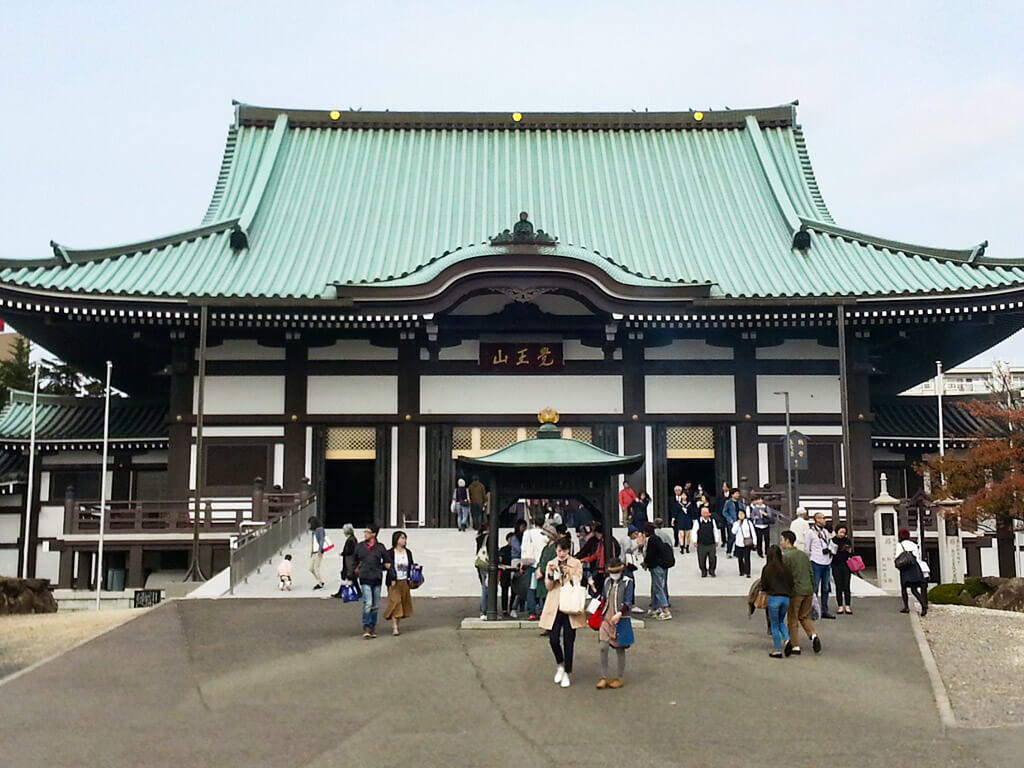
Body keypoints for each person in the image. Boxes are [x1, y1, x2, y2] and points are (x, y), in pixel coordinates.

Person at [540, 536, 587, 689]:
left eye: (564, 551)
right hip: (555, 604)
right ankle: (560, 663)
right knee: (553, 638)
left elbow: (579, 580)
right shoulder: (551, 563)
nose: (561, 554)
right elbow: (548, 586)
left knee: (569, 640)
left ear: (569, 550)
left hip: (571, 605)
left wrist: (569, 573)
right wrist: (550, 575)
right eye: (559, 551)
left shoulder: (576, 563)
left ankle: (567, 672)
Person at [781, 530, 821, 655]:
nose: (781, 542)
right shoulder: (803, 555)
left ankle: (795, 645)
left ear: (787, 541)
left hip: (795, 591)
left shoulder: (785, 556)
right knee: (804, 616)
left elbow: (784, 575)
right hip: (808, 590)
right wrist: (813, 589)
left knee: (792, 618)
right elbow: (810, 572)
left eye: (782, 540)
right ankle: (813, 635)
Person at [596, 557, 634, 689]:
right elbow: (603, 598)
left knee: (620, 649)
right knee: (602, 647)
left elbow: (629, 602)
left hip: (620, 620)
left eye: (616, 571)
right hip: (606, 618)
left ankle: (620, 677)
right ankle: (603, 677)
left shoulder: (628, 582)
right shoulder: (607, 582)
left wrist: (620, 613)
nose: (614, 574)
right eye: (611, 572)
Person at [759, 545, 794, 658]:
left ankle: (778, 650)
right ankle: (787, 640)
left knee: (774, 624)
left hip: (774, 598)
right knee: (781, 622)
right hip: (786, 598)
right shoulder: (786, 568)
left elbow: (764, 585)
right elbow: (791, 583)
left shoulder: (767, 568)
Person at [353, 524, 387, 638]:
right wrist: (354, 571)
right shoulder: (360, 547)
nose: (365, 534)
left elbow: (387, 561)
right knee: (368, 603)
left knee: (375, 605)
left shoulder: (380, 547)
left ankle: (373, 626)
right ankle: (366, 626)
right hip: (364, 577)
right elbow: (354, 560)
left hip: (376, 577)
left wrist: (381, 567)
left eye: (368, 532)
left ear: (374, 534)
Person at [383, 530, 415, 636]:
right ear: (396, 540)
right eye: (402, 538)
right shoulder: (390, 552)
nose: (404, 540)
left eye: (405, 538)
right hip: (394, 582)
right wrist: (390, 572)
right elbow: (386, 565)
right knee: (395, 602)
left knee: (402, 603)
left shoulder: (408, 552)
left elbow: (411, 565)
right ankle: (394, 627)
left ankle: (397, 624)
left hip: (404, 580)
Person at [640, 522, 674, 619]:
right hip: (663, 565)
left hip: (656, 566)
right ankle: (654, 608)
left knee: (658, 588)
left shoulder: (652, 540)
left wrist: (645, 562)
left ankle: (665, 610)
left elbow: (651, 555)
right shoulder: (658, 538)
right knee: (657, 587)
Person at [806, 512, 836, 619]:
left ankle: (824, 610)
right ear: (817, 519)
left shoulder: (826, 532)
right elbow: (807, 548)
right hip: (816, 561)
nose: (824, 520)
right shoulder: (811, 532)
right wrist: (810, 560)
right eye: (823, 518)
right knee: (815, 587)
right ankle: (812, 609)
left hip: (827, 562)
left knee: (826, 588)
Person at [520, 513, 550, 620]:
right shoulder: (545, 535)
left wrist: (523, 563)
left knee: (531, 588)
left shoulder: (528, 533)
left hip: (531, 564)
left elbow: (523, 548)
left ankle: (531, 611)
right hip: (543, 565)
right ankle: (542, 610)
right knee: (543, 589)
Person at [577, 522, 620, 594]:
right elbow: (596, 555)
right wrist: (584, 560)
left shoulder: (606, 542)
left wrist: (583, 560)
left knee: (600, 588)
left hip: (604, 568)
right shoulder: (605, 542)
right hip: (602, 568)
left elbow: (596, 555)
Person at [896, 529, 929, 616]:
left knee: (904, 588)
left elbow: (897, 556)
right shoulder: (914, 545)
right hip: (915, 568)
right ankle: (924, 605)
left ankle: (906, 607)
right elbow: (917, 557)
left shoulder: (900, 545)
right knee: (914, 589)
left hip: (905, 569)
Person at [691, 504, 722, 577]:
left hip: (711, 543)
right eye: (704, 513)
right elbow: (694, 531)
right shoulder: (698, 521)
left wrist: (717, 540)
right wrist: (695, 541)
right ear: (701, 513)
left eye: (707, 512)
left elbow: (715, 530)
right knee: (702, 559)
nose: (706, 514)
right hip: (701, 543)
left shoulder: (712, 521)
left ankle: (712, 570)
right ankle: (703, 571)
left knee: (713, 558)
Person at [831, 525, 855, 614]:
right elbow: (831, 552)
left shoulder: (847, 540)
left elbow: (852, 553)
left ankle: (848, 606)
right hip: (836, 565)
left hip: (846, 565)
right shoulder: (832, 540)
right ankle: (840, 606)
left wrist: (849, 551)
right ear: (836, 531)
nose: (842, 534)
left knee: (847, 585)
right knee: (838, 586)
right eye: (841, 532)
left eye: (844, 532)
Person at [331, 523, 359, 598]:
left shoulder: (350, 540)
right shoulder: (353, 539)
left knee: (349, 577)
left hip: (350, 561)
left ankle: (341, 593)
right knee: (352, 578)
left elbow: (349, 551)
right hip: (351, 561)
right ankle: (358, 592)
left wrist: (343, 553)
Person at [732, 509, 757, 577]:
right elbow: (733, 532)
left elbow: (753, 532)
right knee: (740, 558)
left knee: (747, 558)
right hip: (739, 543)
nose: (741, 515)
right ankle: (741, 571)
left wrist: (755, 541)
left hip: (747, 543)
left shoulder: (748, 522)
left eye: (742, 514)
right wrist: (738, 524)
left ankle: (748, 571)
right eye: (739, 514)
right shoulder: (736, 523)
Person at [722, 488, 744, 557]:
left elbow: (743, 510)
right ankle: (729, 551)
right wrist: (730, 519)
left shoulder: (740, 502)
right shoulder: (728, 502)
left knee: (739, 537)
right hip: (732, 522)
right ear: (732, 495)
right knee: (731, 537)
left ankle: (737, 552)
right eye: (736, 493)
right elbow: (724, 512)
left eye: (738, 493)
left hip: (740, 521)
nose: (738, 495)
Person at [671, 486, 693, 554]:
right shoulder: (678, 504)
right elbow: (675, 512)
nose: (683, 496)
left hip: (687, 520)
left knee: (687, 535)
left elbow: (692, 513)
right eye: (682, 495)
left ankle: (687, 547)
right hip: (680, 520)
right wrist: (673, 520)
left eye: (684, 495)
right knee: (681, 534)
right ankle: (681, 547)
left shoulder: (690, 504)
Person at [308, 515, 326, 590]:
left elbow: (321, 539)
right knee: (311, 568)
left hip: (318, 551)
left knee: (316, 568)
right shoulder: (314, 531)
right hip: (314, 552)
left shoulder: (320, 529)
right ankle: (320, 581)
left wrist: (320, 549)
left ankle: (320, 583)